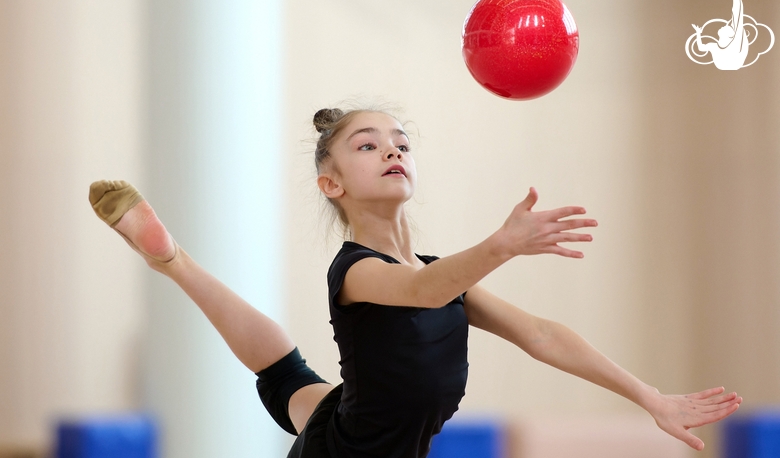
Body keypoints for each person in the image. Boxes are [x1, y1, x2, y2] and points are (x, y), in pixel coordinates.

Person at [89, 107, 741, 457]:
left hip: (356, 426)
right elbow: (424, 294)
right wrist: (503, 244)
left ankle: (173, 260)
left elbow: (540, 333)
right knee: (293, 387)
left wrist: (647, 394)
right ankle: (173, 262)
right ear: (332, 185)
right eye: (368, 145)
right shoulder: (359, 272)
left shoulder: (436, 272)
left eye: (401, 141)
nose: (393, 149)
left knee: (288, 378)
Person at [692, 0, 748, 70]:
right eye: (728, 26)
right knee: (737, 18)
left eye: (727, 27)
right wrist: (698, 33)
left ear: (729, 35)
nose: (724, 25)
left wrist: (698, 34)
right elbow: (701, 48)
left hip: (732, 62)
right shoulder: (716, 46)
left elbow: (737, 15)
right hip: (730, 63)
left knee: (737, 17)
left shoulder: (731, 43)